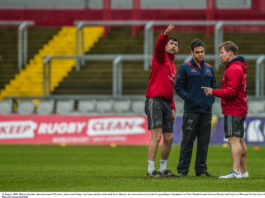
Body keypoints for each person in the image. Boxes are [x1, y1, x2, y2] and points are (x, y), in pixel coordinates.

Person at [202, 41, 249, 179]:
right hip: (240, 107)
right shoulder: (239, 67)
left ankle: (235, 171)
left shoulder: (234, 69)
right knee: (240, 140)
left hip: (233, 108)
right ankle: (243, 171)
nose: (220, 56)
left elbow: (231, 92)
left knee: (234, 140)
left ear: (230, 53)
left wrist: (213, 91)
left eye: (222, 53)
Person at [174, 39, 216, 177]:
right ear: (191, 52)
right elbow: (178, 87)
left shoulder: (210, 68)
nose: (200, 54)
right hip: (191, 111)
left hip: (206, 111)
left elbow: (214, 87)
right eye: (197, 52)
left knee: (204, 142)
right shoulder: (185, 67)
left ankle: (201, 170)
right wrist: (191, 98)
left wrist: (210, 100)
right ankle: (182, 171)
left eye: (202, 52)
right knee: (187, 141)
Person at [145, 24, 179, 177]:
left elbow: (170, 89)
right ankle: (151, 169)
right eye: (171, 43)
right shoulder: (160, 57)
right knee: (157, 135)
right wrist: (164, 34)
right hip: (155, 100)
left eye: (176, 45)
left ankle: (163, 168)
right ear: (165, 46)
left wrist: (173, 107)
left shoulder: (173, 66)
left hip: (166, 102)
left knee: (169, 137)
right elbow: (159, 45)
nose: (173, 46)